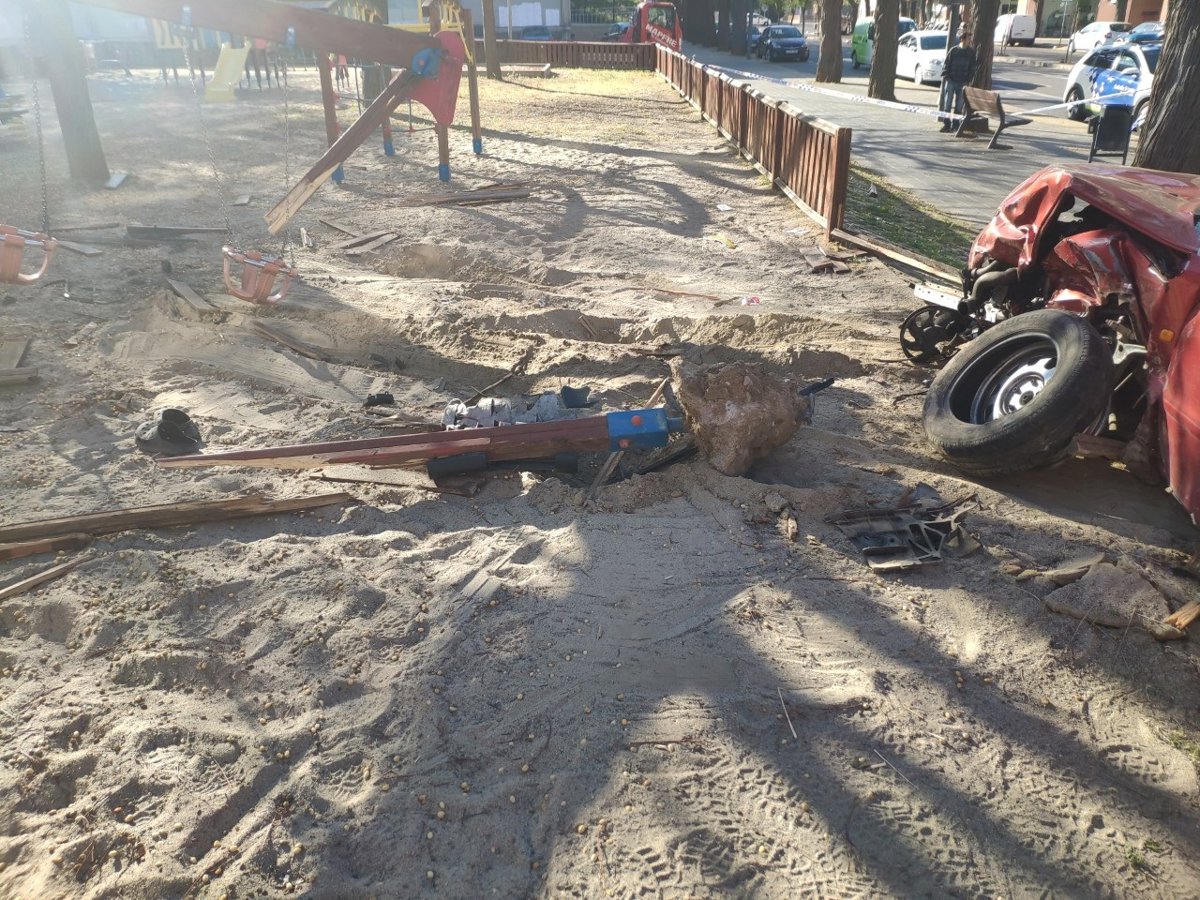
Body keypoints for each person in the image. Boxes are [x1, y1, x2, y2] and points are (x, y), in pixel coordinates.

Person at [939, 30, 976, 133]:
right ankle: (946, 125)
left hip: (962, 82)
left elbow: (972, 68)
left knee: (959, 106)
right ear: (962, 39)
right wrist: (947, 76)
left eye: (970, 39)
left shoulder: (971, 53)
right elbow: (946, 64)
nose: (969, 41)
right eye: (968, 39)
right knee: (947, 104)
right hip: (951, 80)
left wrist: (968, 79)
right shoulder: (954, 51)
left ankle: (955, 125)